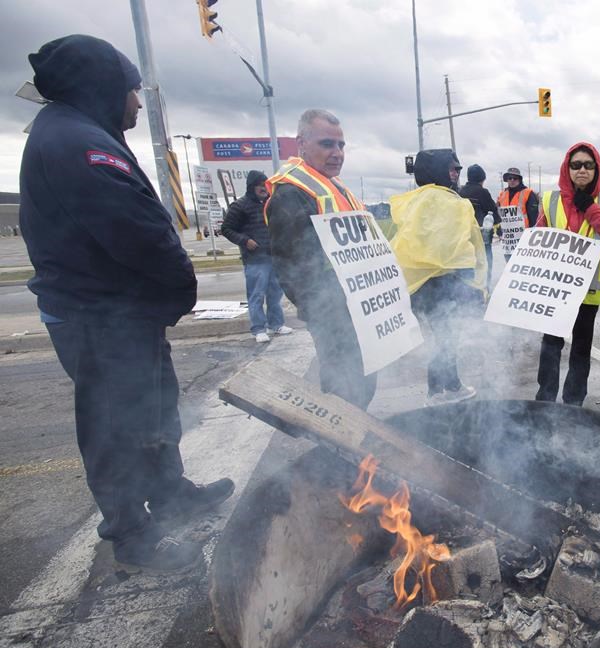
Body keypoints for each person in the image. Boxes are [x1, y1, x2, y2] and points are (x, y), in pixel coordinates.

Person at [19, 35, 235, 572]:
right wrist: (180, 286)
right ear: (104, 88)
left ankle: (169, 494)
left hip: (121, 315)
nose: (138, 101)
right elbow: (138, 235)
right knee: (116, 425)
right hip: (100, 318)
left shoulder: (77, 133)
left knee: (154, 411)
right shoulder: (79, 145)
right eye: (132, 89)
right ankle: (133, 537)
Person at [266, 109, 377, 409]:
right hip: (334, 315)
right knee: (344, 390)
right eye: (327, 144)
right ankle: (342, 450)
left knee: (363, 384)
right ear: (301, 143)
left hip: (356, 309)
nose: (337, 153)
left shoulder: (335, 187)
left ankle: (356, 445)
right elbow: (292, 266)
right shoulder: (292, 193)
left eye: (341, 145)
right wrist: (324, 313)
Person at [391, 149, 487, 405]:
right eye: (453, 168)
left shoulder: (412, 201)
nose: (457, 173)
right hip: (443, 283)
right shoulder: (451, 202)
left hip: (419, 284)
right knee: (445, 338)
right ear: (438, 170)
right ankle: (439, 392)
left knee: (441, 337)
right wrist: (477, 283)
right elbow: (466, 246)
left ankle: (448, 386)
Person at [535, 143, 600, 405]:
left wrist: (591, 208)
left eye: (588, 165)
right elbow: (538, 237)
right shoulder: (550, 200)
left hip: (588, 292)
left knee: (581, 351)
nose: (582, 170)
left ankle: (573, 404)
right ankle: (545, 400)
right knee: (550, 347)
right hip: (555, 289)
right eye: (576, 165)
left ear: (596, 169)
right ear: (567, 168)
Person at [220, 170, 293, 343]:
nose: (263, 188)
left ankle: (276, 324)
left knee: (275, 294)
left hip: (274, 257)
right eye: (260, 185)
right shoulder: (240, 206)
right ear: (252, 187)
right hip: (255, 260)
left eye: (265, 185)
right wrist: (245, 241)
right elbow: (227, 229)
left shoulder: (270, 203)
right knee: (256, 295)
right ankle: (259, 329)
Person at [458, 164, 500, 289]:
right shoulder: (483, 192)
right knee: (485, 263)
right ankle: (484, 289)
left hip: (463, 237)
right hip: (482, 238)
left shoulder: (460, 191)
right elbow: (493, 213)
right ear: (483, 178)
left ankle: (467, 289)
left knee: (467, 265)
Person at [496, 167, 540, 261]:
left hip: (523, 238)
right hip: (508, 241)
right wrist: (499, 229)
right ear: (507, 180)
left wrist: (531, 236)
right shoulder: (502, 194)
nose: (512, 180)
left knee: (522, 265)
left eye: (515, 178)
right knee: (509, 266)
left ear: (519, 179)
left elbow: (534, 217)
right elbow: (500, 216)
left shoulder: (528, 193)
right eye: (509, 178)